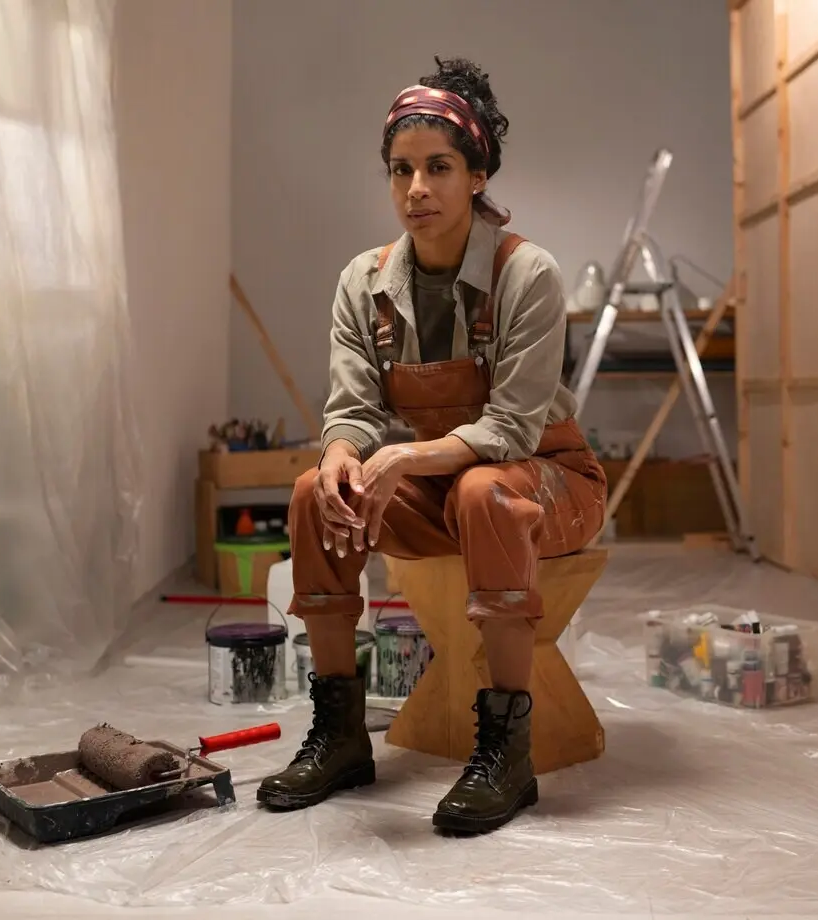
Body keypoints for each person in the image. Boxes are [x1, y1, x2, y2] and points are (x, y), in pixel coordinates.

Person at [256, 57, 607, 833]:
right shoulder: (365, 281)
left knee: (487, 489)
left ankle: (506, 750)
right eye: (401, 170)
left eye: (439, 168)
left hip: (549, 482)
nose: (417, 189)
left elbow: (514, 430)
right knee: (318, 491)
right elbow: (349, 408)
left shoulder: (528, 274)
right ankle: (341, 733)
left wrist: (405, 457)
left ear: (479, 173)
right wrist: (345, 454)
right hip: (447, 493)